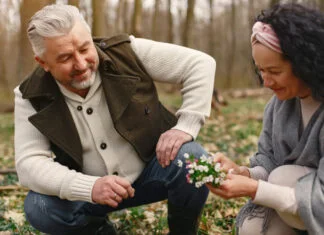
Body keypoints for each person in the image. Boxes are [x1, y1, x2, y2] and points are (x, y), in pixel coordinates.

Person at [14, 4, 216, 235]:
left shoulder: (126, 53)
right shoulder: (29, 95)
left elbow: (200, 64)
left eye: (84, 48)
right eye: (65, 57)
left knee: (195, 159)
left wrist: (187, 125)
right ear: (43, 62)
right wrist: (90, 187)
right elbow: (29, 164)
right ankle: (100, 230)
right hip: (89, 195)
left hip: (153, 173)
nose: (81, 64)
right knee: (39, 208)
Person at [206, 3, 324, 235]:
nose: (266, 82)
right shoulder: (278, 106)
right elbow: (269, 164)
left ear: (305, 64)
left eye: (275, 71)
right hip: (298, 205)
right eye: (261, 71)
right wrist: (243, 174)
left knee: (282, 178)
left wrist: (254, 188)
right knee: (253, 227)